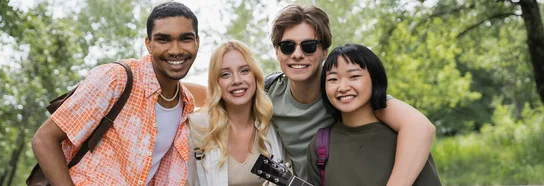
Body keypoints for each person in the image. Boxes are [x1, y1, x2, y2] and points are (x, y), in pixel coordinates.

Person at [186, 4, 437, 185]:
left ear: (324, 50)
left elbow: (419, 127)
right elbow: (227, 91)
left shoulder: (345, 95)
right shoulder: (269, 94)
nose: (297, 54)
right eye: (287, 46)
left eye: (308, 46)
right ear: (277, 52)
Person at [31, 2, 201, 185]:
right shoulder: (117, 78)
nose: (175, 50)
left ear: (197, 42)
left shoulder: (185, 103)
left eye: (185, 39)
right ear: (149, 44)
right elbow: (44, 139)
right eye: (163, 39)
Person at [307, 44, 441, 186]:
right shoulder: (320, 145)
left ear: (374, 79)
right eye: (333, 79)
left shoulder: (405, 138)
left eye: (354, 76)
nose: (343, 87)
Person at [187, 40, 286, 186]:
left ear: (255, 76)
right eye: (225, 74)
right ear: (216, 83)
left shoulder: (272, 125)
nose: (237, 80)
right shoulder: (197, 127)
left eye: (244, 70)